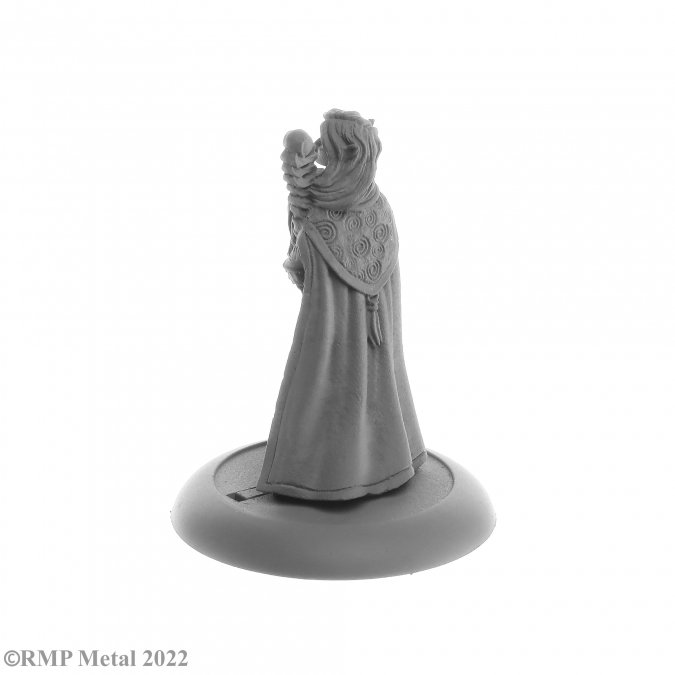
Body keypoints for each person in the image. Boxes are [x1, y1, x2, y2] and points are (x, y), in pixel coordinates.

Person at [257, 109, 426, 500]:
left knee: (328, 388)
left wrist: (299, 216)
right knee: (371, 385)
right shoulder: (377, 203)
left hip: (337, 330)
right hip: (368, 321)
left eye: (325, 143)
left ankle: (330, 475)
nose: (318, 149)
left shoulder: (318, 212)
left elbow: (299, 267)